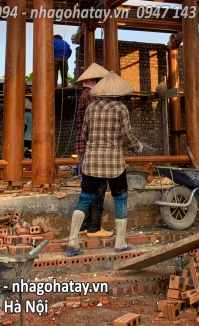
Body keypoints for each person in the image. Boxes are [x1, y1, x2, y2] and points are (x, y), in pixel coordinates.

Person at [66, 72, 143, 256]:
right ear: (118, 91)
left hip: (92, 161)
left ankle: (73, 242)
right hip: (115, 163)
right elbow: (127, 136)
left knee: (85, 198)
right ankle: (120, 242)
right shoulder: (121, 108)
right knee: (120, 198)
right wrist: (137, 147)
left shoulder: (91, 108)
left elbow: (84, 133)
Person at [74, 62, 112, 238]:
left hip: (85, 145)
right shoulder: (90, 96)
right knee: (98, 185)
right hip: (91, 146)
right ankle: (94, 228)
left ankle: (85, 224)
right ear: (94, 81)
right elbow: (96, 119)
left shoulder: (85, 94)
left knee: (89, 185)